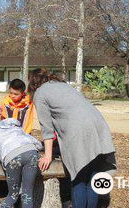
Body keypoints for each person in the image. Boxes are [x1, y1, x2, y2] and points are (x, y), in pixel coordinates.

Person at [28, 68, 116, 208]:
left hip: (78, 131)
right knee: (91, 176)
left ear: (32, 83)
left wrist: (48, 155)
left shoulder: (40, 93)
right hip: (98, 125)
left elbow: (47, 129)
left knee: (78, 178)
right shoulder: (63, 85)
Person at [0, 118, 43, 208]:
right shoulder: (16, 128)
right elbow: (39, 145)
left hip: (12, 157)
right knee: (27, 195)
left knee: (12, 196)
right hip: (31, 153)